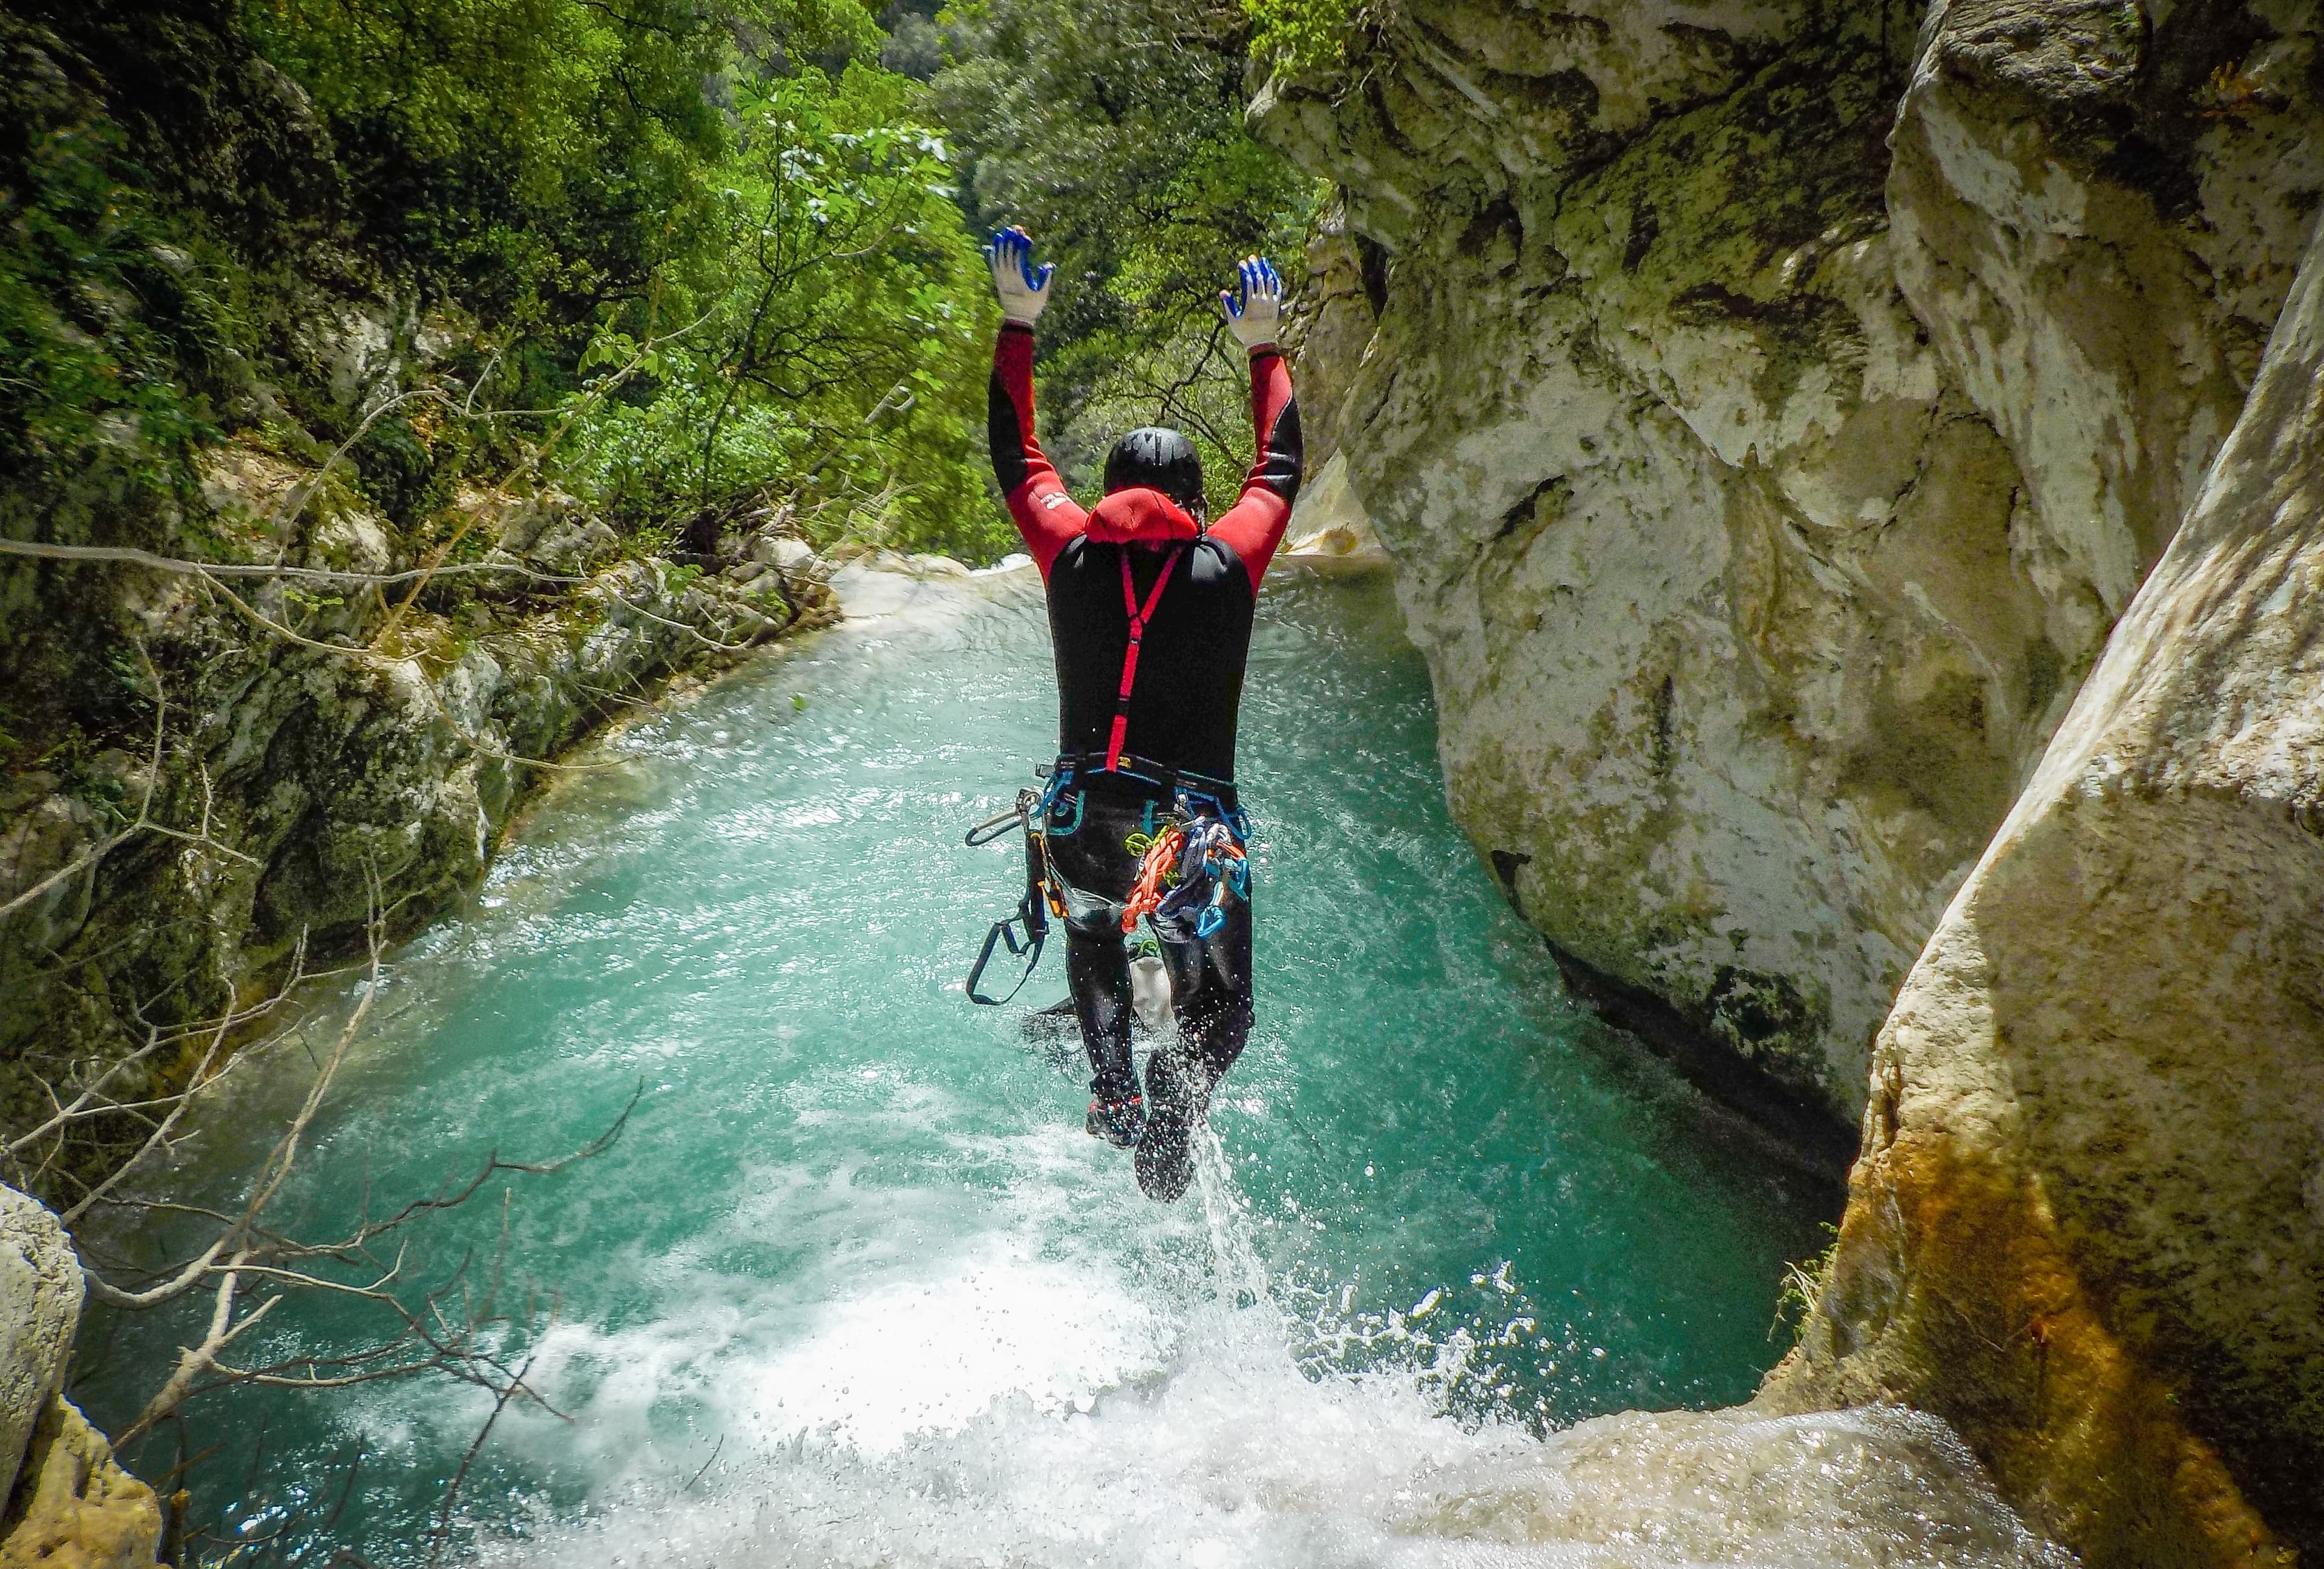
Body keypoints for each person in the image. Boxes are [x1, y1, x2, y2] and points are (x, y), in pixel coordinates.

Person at [983, 225, 1302, 1201]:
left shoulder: (1069, 553)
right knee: (1226, 1010)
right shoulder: (1227, 561)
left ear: (1112, 492)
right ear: (1194, 502)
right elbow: (1280, 467)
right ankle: (1174, 1096)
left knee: (1093, 935)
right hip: (1187, 836)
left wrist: (1018, 322)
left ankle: (1114, 1083)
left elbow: (1018, 458)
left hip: (1083, 822)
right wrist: (1264, 346)